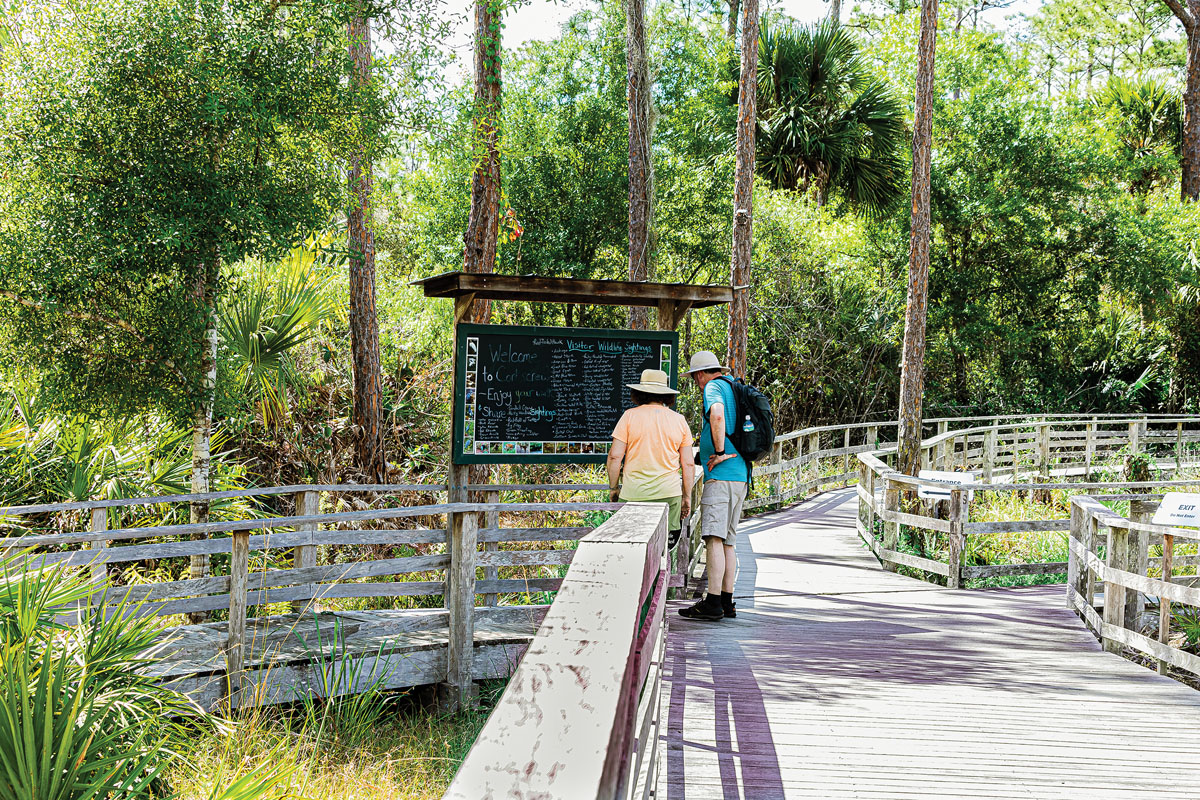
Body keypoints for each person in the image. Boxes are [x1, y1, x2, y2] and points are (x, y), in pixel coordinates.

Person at [678, 351, 748, 622]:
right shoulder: (733, 386)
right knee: (728, 541)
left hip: (721, 476)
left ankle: (713, 602)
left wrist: (718, 452)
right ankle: (727, 601)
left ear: (699, 374)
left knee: (713, 538)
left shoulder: (713, 387)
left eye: (694, 378)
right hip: (740, 475)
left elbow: (717, 415)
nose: (696, 383)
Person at [606, 369, 695, 543]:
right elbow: (688, 464)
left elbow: (615, 457)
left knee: (631, 546)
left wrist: (614, 488)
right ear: (666, 394)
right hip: (669, 495)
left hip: (633, 494)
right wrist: (686, 496)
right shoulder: (679, 420)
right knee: (663, 549)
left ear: (639, 393)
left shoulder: (629, 416)